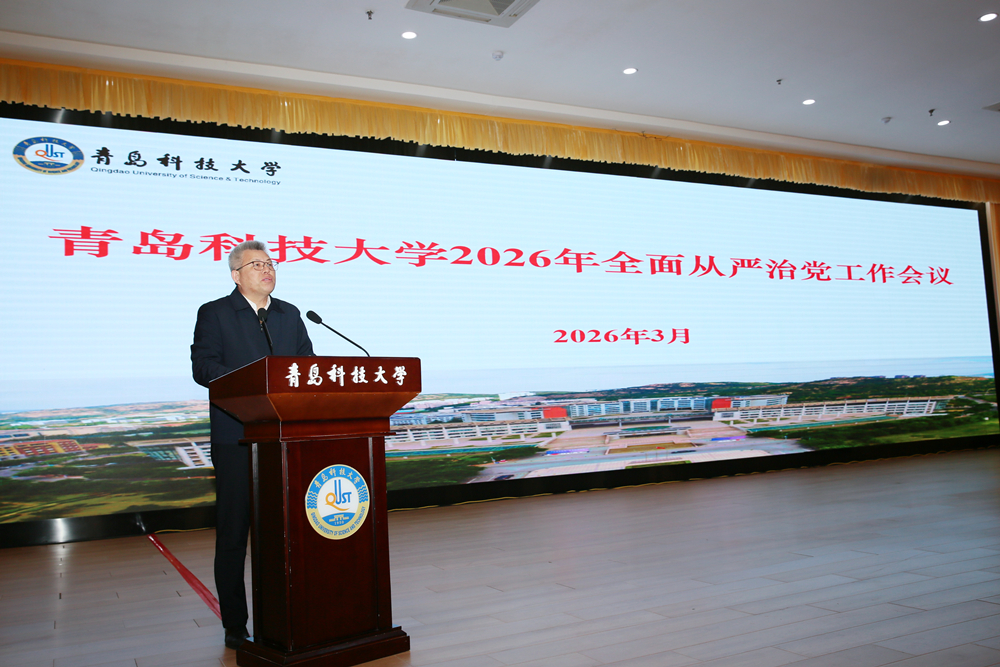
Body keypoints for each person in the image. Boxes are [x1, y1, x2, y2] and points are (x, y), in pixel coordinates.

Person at [191, 240, 314, 649]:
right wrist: (253, 381)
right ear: (236, 275)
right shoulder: (215, 313)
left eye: (271, 263)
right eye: (257, 264)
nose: (267, 269)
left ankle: (287, 613)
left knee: (286, 532)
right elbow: (204, 367)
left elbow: (307, 366)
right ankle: (234, 623)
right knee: (233, 534)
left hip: (284, 439)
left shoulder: (289, 314)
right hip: (237, 439)